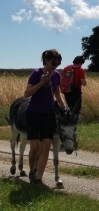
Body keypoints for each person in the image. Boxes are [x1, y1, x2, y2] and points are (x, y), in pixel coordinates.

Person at [24, 49, 69, 185]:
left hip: (48, 114)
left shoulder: (56, 75)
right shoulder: (37, 73)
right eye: (54, 62)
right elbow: (26, 94)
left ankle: (39, 178)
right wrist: (41, 83)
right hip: (33, 113)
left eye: (59, 62)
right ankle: (32, 170)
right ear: (46, 61)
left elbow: (57, 93)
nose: (56, 65)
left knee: (45, 146)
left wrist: (64, 107)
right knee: (35, 147)